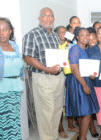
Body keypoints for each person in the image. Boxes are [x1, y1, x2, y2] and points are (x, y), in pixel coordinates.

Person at [22, 7, 65, 140]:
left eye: (51, 16)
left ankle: (54, 136)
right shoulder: (32, 35)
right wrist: (47, 69)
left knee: (57, 111)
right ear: (39, 18)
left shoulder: (55, 36)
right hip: (43, 77)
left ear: (53, 19)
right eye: (45, 16)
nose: (48, 18)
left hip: (58, 78)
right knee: (46, 112)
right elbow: (28, 58)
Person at [66, 28, 100, 140]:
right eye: (82, 35)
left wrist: (91, 75)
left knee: (83, 111)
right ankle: (82, 138)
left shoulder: (84, 49)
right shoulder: (75, 49)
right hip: (78, 82)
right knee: (86, 112)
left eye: (87, 35)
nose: (85, 37)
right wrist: (84, 85)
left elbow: (84, 67)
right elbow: (74, 68)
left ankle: (82, 136)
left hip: (85, 80)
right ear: (77, 37)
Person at [54, 25, 71, 138]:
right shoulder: (54, 46)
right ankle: (60, 128)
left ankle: (70, 125)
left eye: (65, 32)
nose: (63, 34)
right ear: (56, 34)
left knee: (68, 102)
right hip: (58, 76)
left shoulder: (70, 45)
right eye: (61, 32)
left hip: (70, 76)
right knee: (59, 104)